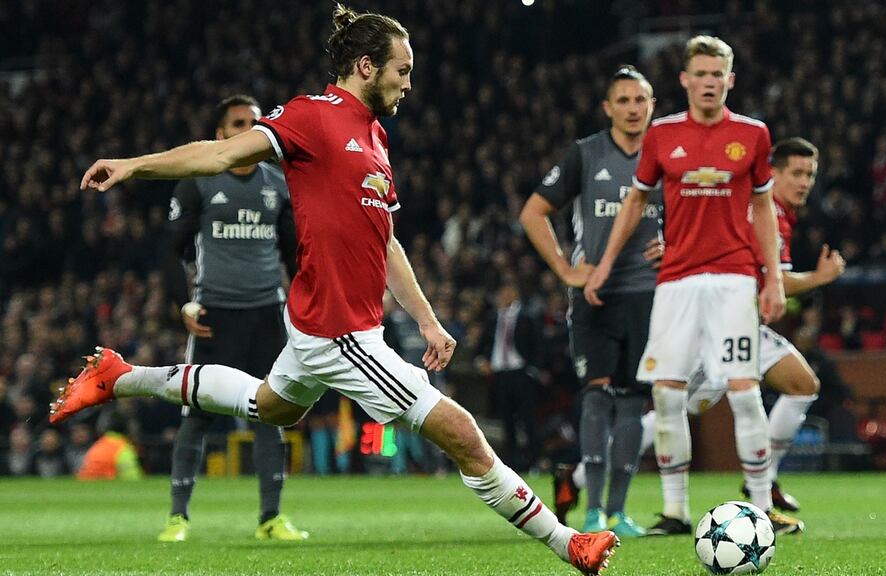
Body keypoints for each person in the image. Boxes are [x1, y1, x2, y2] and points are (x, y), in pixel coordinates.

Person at [53, 5, 618, 574]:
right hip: (338, 331)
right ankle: (567, 542)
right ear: (366, 66)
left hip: (327, 322)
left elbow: (386, 241)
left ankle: (122, 377)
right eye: (402, 69)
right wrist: (134, 165)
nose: (409, 83)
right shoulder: (314, 116)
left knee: (268, 405)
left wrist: (426, 319)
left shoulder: (375, 136)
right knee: (462, 433)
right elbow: (221, 153)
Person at [583, 35, 796, 536]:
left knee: (744, 393)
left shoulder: (753, 134)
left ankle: (763, 509)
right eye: (699, 74)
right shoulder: (661, 135)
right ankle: (676, 513)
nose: (708, 83)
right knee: (666, 395)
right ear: (684, 80)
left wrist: (774, 280)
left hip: (733, 278)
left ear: (730, 80)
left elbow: (763, 208)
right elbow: (635, 203)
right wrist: (603, 265)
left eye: (716, 74)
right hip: (676, 281)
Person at [158, 94, 307, 543]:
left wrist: (302, 309)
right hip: (214, 315)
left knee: (270, 413)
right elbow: (171, 248)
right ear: (220, 134)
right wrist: (181, 304)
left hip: (266, 314)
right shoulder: (199, 182)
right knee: (198, 413)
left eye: (255, 123)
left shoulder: (279, 185)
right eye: (238, 123)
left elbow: (294, 256)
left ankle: (270, 518)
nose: (248, 129)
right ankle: (177, 518)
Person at [520, 65, 660, 537]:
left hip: (648, 293)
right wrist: (563, 269)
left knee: (634, 401)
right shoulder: (585, 154)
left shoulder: (666, 155)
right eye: (623, 100)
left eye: (640, 100)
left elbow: (689, 214)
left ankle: (619, 511)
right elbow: (533, 212)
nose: (632, 108)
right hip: (594, 294)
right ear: (608, 108)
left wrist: (676, 244)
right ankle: (593, 513)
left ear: (651, 105)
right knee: (597, 395)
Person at [683, 137, 845, 525]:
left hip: (740, 322)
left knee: (802, 384)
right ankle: (583, 473)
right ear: (773, 173)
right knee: (679, 408)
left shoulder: (776, 212)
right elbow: (777, 282)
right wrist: (820, 278)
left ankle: (763, 483)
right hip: (721, 322)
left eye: (810, 174)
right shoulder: (766, 210)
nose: (804, 182)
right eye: (796, 173)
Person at [478, 282, 543, 473]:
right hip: (500, 375)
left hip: (521, 373)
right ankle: (512, 463)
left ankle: (534, 461)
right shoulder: (492, 319)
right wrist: (482, 360)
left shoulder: (527, 317)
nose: (504, 296)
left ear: (515, 294)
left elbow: (538, 344)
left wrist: (533, 369)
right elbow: (483, 345)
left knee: (528, 419)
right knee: (506, 420)